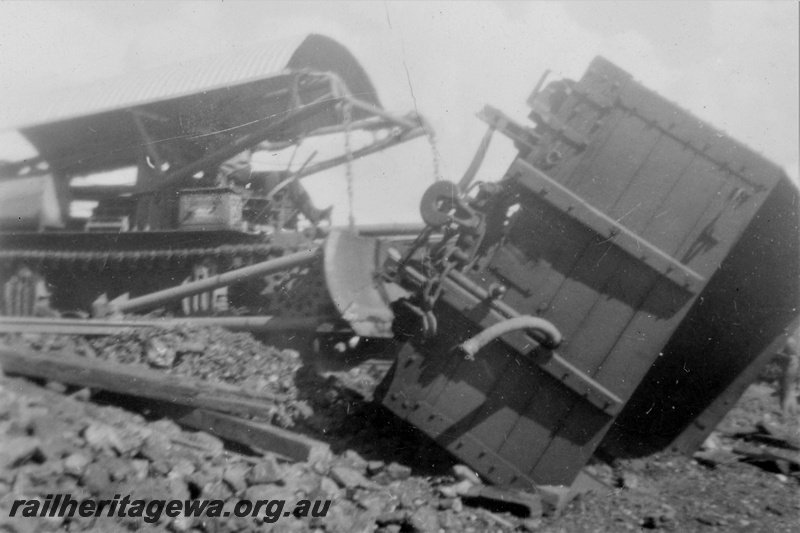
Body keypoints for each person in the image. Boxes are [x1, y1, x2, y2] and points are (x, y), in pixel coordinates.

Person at [216, 148, 332, 225]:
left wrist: (291, 142)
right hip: (234, 174)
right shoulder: (226, 139)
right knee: (270, 175)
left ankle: (314, 214)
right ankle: (268, 205)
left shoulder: (248, 136)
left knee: (289, 175)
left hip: (246, 173)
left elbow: (269, 145)